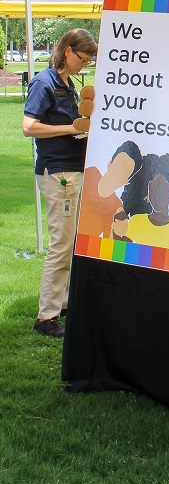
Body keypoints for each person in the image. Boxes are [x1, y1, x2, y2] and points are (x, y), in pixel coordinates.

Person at [22, 28, 98, 337]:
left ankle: (62, 303)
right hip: (58, 173)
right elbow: (29, 127)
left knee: (69, 242)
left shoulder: (67, 84)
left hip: (71, 170)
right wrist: (70, 129)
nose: (84, 64)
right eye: (83, 58)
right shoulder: (44, 83)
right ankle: (46, 317)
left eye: (89, 61)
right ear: (67, 51)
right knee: (61, 244)